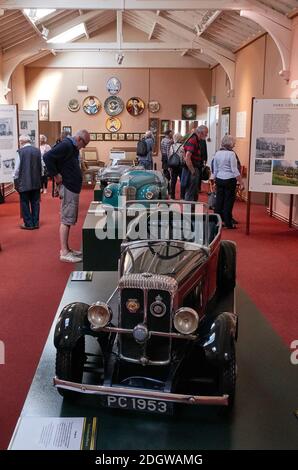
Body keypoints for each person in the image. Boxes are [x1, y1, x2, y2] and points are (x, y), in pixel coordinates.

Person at [43, 129, 90, 262]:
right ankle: (64, 252)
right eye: (84, 144)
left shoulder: (72, 147)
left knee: (69, 219)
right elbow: (47, 157)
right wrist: (56, 175)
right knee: (66, 219)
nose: (84, 147)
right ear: (79, 139)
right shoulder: (66, 145)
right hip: (68, 187)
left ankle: (67, 249)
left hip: (71, 187)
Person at [212, 135, 243, 229]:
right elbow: (234, 169)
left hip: (219, 179)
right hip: (230, 180)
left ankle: (218, 221)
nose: (234, 144)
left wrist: (214, 179)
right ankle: (228, 223)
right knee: (228, 202)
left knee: (219, 201)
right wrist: (241, 182)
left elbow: (215, 168)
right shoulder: (231, 154)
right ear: (230, 143)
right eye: (234, 142)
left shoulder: (217, 153)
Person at [13, 135, 42, 230]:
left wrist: (14, 179)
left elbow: (17, 169)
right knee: (35, 202)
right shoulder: (37, 151)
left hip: (24, 182)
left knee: (25, 203)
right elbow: (41, 166)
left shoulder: (20, 152)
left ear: (21, 142)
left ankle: (29, 223)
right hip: (36, 181)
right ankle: (36, 222)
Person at [181, 125, 208, 201]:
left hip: (194, 167)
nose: (206, 135)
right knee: (190, 191)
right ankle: (188, 211)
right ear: (201, 133)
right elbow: (188, 157)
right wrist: (192, 171)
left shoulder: (196, 140)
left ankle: (192, 210)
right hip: (192, 168)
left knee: (194, 191)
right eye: (206, 133)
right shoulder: (193, 140)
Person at [168, 133, 184, 199]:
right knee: (182, 181)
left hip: (173, 165)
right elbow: (183, 157)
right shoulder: (182, 146)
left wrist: (169, 166)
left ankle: (172, 196)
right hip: (180, 165)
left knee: (173, 181)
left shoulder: (172, 146)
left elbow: (169, 155)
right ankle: (182, 196)